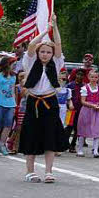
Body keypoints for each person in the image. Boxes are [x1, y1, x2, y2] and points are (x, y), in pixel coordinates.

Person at [19, 18, 67, 182]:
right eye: (43, 52)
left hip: (49, 102)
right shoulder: (31, 61)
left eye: (48, 52)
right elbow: (32, 45)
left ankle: (48, 171)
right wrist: (46, 31)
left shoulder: (56, 61)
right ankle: (30, 171)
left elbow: (59, 46)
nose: (45, 54)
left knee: (50, 136)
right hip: (33, 102)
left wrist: (55, 27)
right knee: (31, 135)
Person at [0, 57, 19, 156]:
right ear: (7, 64)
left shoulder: (14, 77)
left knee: (8, 125)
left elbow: (13, 91)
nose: (14, 65)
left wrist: (14, 104)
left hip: (10, 104)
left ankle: (2, 144)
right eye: (13, 64)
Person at [77, 69, 99, 158]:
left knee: (97, 129)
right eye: (92, 77)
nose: (94, 79)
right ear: (89, 77)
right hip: (87, 110)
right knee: (83, 129)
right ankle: (80, 149)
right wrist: (92, 105)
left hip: (97, 110)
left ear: (98, 78)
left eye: (96, 77)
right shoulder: (85, 88)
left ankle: (95, 150)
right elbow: (83, 101)